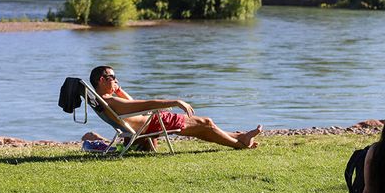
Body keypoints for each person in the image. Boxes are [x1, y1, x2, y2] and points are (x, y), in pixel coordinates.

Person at [90, 65, 262, 150]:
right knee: (206, 123)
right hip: (154, 123)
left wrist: (118, 90)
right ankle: (240, 145)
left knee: (202, 128)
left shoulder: (107, 101)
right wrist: (176, 102)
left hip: (150, 122)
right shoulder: (110, 101)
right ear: (102, 80)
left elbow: (133, 104)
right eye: (113, 77)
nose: (116, 80)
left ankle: (240, 137)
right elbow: (147, 104)